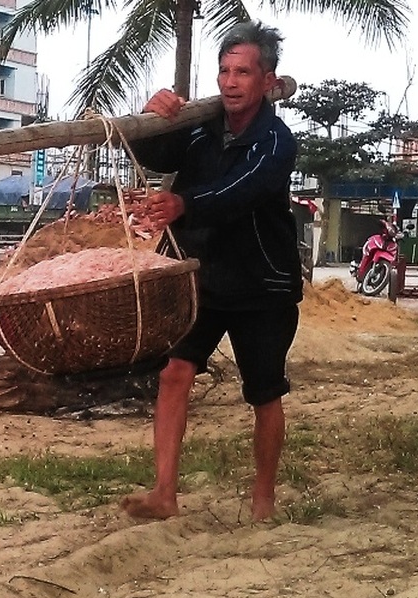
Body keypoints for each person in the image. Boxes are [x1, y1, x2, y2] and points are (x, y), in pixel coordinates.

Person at [121, 21, 302, 522]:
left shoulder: (276, 143)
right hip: (202, 276)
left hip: (262, 283)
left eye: (242, 71)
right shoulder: (200, 127)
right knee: (175, 372)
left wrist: (182, 203)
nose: (230, 81)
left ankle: (263, 499)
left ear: (267, 81)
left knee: (264, 392)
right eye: (224, 70)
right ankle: (163, 492)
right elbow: (151, 154)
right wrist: (151, 117)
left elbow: (238, 191)